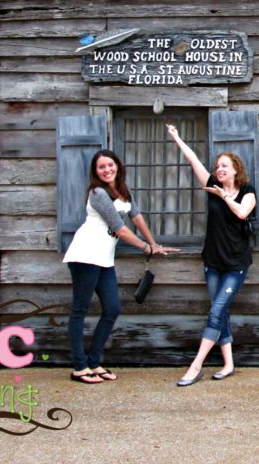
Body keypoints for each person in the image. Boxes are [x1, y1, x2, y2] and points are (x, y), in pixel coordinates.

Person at [63, 149, 174, 384]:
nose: (107, 170)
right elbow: (120, 229)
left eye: (110, 165)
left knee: (112, 309)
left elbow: (136, 217)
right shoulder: (98, 193)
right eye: (101, 167)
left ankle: (94, 362)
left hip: (104, 257)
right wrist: (146, 248)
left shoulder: (122, 191)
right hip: (85, 255)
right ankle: (80, 366)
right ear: (95, 171)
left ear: (118, 166)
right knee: (80, 310)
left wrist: (153, 243)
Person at [166, 122, 257, 386]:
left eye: (224, 166)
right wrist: (177, 137)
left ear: (235, 169)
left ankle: (196, 366)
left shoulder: (248, 192)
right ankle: (228, 364)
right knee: (221, 312)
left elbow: (242, 213)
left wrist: (224, 196)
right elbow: (193, 159)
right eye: (217, 166)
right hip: (213, 263)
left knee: (216, 311)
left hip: (236, 264)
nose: (219, 169)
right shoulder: (211, 185)